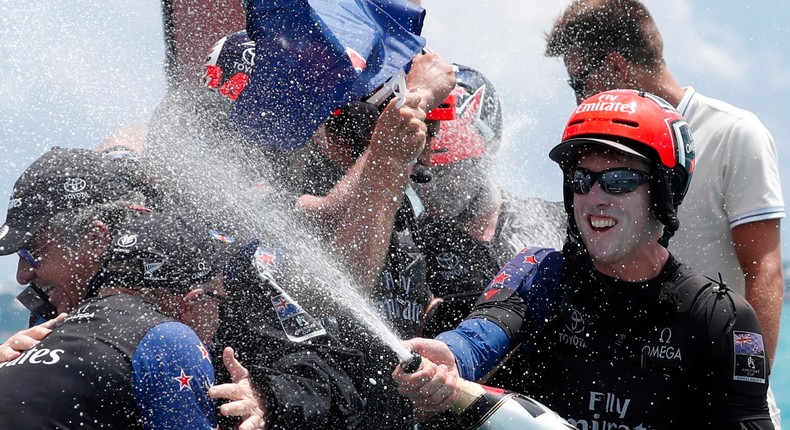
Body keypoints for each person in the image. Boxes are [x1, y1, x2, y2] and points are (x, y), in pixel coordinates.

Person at [392, 90, 774, 429]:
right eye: (581, 179)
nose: (595, 197)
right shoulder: (538, 274)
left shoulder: (720, 318)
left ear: (663, 190)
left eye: (620, 180)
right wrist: (450, 356)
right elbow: (477, 339)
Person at [544, 1, 785, 381]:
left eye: (579, 83)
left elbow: (764, 273)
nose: (578, 101)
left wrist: (751, 387)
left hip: (713, 382)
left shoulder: (734, 132)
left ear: (617, 67)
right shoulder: (595, 146)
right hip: (637, 388)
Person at [0, 208, 229, 428]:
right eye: (218, 300)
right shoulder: (171, 339)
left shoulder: (61, 329)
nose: (219, 319)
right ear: (191, 303)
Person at [413, 63, 567, 340]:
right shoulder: (414, 244)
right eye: (421, 171)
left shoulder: (554, 221)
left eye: (447, 169)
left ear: (490, 152)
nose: (430, 185)